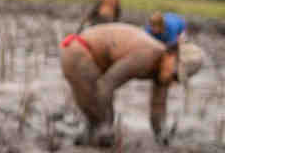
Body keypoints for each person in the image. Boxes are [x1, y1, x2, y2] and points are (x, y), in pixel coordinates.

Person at [60, 23, 203, 146]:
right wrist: (108, 124)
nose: (172, 81)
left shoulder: (162, 70)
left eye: (177, 79)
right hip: (77, 51)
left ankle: (93, 134)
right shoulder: (147, 55)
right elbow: (105, 85)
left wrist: (160, 134)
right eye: (175, 75)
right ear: (172, 55)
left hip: (92, 58)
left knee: (97, 118)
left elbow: (158, 105)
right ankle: (96, 134)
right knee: (98, 115)